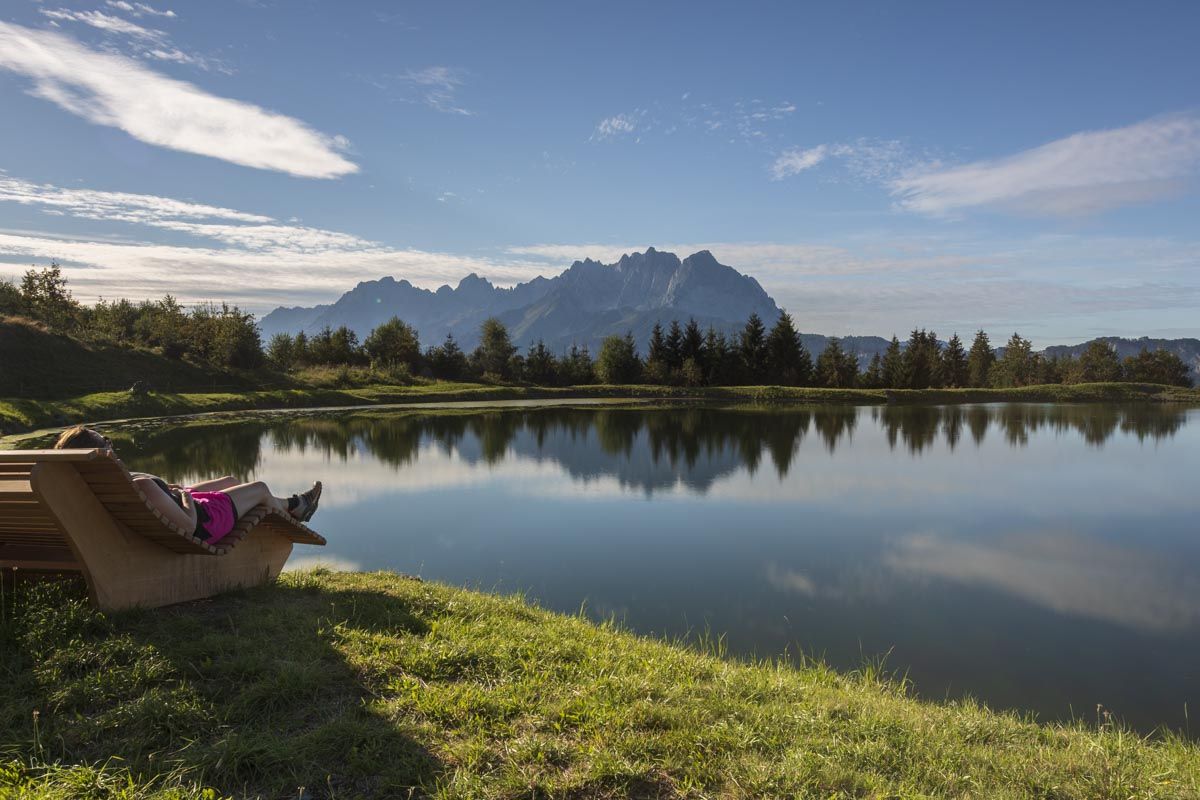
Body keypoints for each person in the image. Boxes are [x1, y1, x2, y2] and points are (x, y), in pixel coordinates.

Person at [53, 425, 322, 546]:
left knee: (230, 481)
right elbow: (188, 526)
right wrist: (186, 499)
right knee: (260, 489)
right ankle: (296, 507)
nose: (111, 445)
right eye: (106, 443)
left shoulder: (95, 483)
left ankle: (291, 506)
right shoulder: (141, 485)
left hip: (177, 503)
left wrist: (173, 491)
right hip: (206, 523)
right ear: (99, 454)